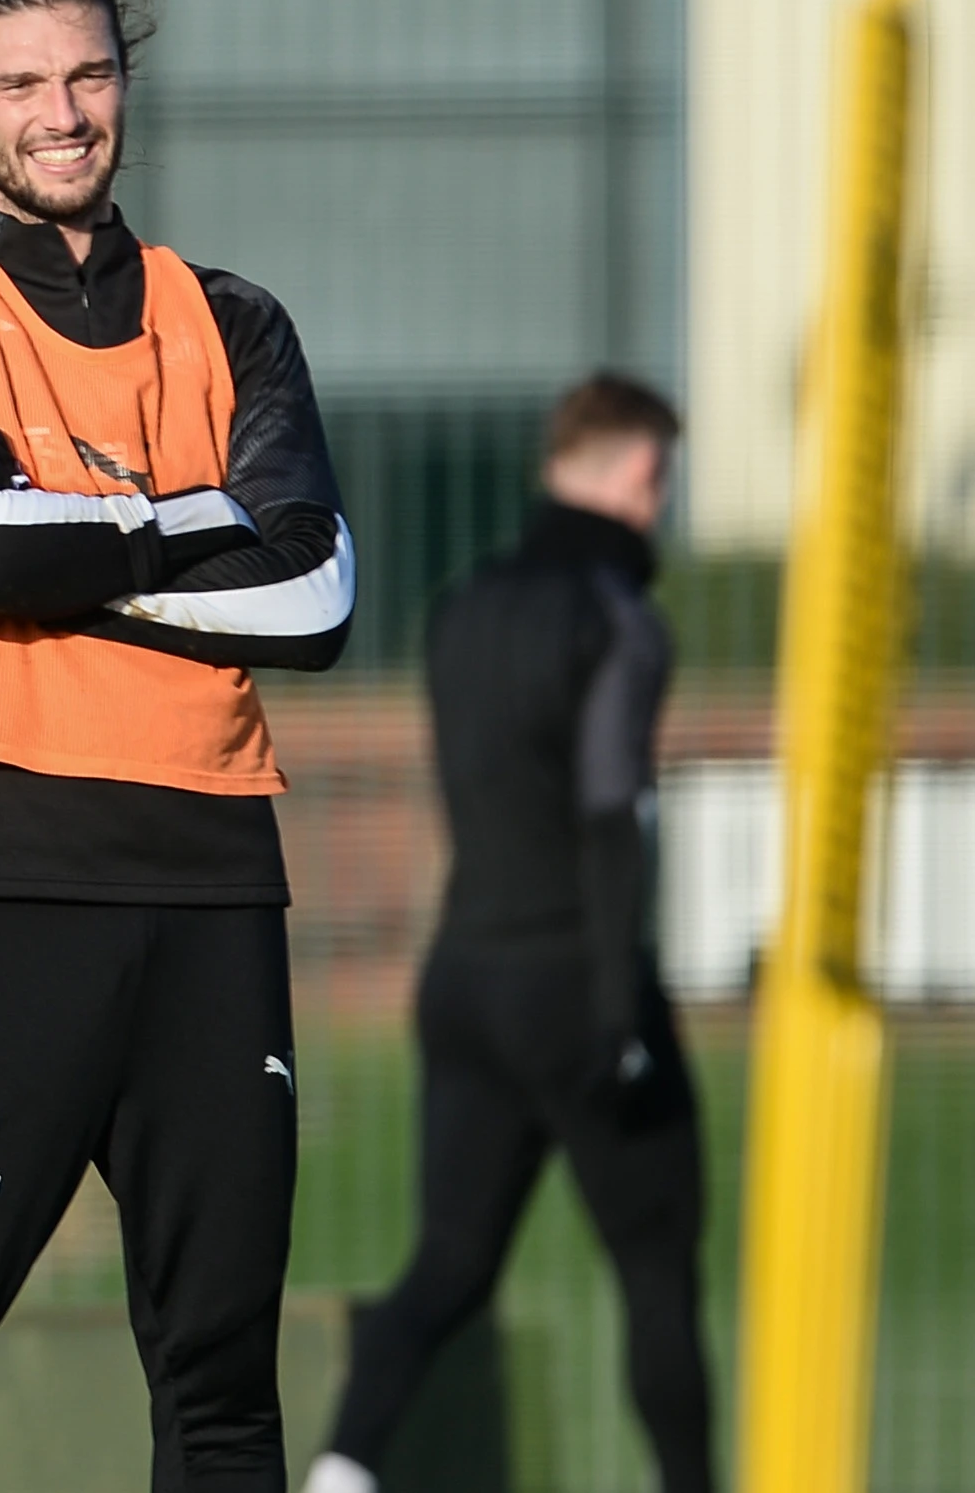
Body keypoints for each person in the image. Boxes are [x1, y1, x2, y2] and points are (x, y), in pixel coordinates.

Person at [0, 0, 359, 1493]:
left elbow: (312, 595)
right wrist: (189, 517)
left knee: (223, 1384)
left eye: (90, 76)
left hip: (214, 884)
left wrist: (64, 548)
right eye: (23, 84)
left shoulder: (231, 318)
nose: (63, 113)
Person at [305, 373, 711, 1493]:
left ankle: (340, 1469)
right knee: (655, 1273)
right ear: (642, 473)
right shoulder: (619, 618)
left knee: (444, 1265)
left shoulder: (463, 602)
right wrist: (620, 1012)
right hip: (573, 985)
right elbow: (608, 813)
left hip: (463, 982)